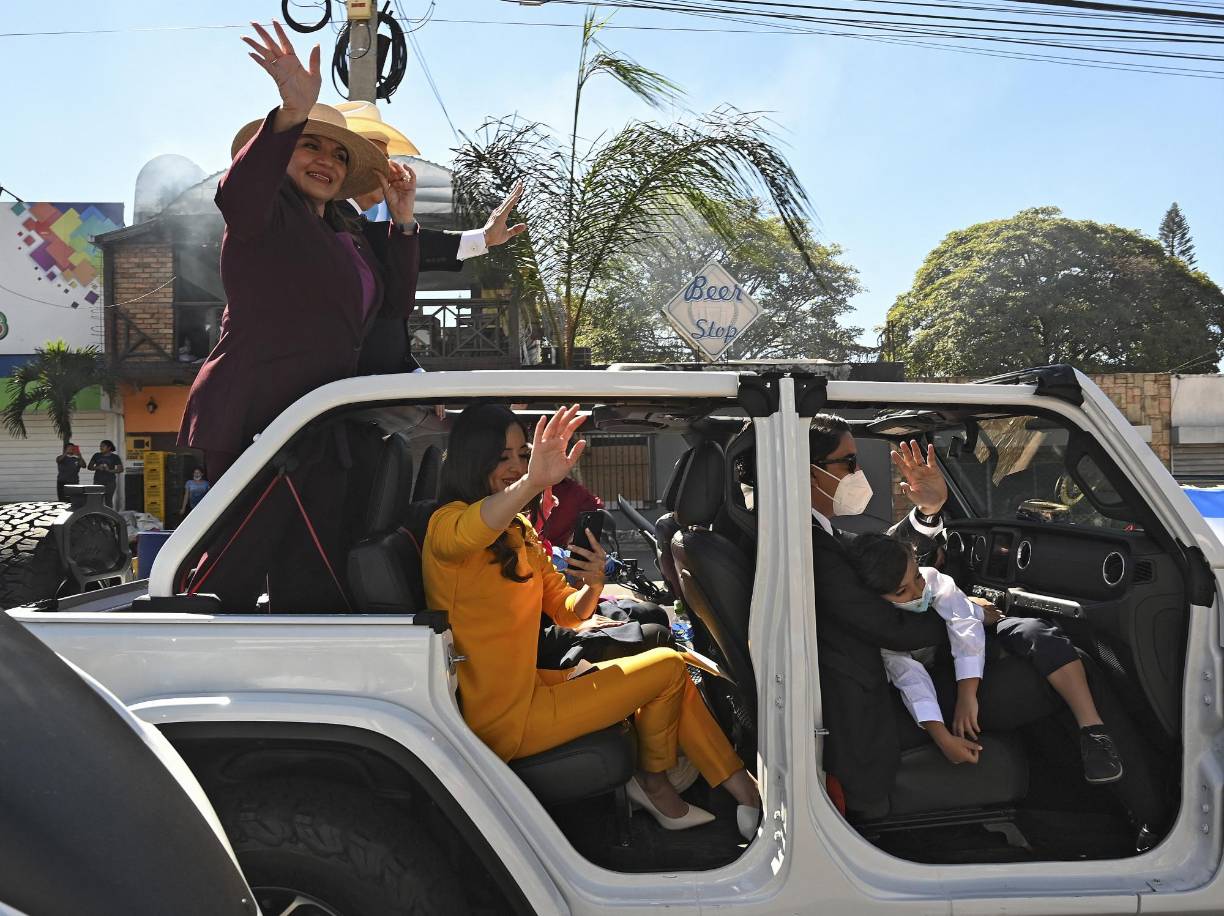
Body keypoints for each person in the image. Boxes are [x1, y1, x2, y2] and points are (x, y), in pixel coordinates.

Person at [807, 413, 1168, 848]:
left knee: (1038, 648)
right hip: (882, 701)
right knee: (1065, 669)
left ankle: (1080, 814)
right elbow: (890, 626)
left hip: (883, 679)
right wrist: (967, 615)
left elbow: (879, 562)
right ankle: (1155, 820)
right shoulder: (811, 544)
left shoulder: (815, 534)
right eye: (849, 463)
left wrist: (928, 512)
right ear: (810, 471)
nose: (859, 473)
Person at [423, 403, 761, 837]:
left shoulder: (518, 529)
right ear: (472, 458)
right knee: (670, 668)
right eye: (501, 456)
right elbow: (474, 528)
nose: (514, 467)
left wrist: (594, 584)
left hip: (534, 688)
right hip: (504, 720)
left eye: (521, 455)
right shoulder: (446, 526)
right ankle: (656, 784)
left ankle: (744, 790)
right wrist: (532, 482)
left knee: (670, 664)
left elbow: (569, 609)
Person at [178, 20, 421, 482]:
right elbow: (239, 194)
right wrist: (292, 112)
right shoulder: (264, 214)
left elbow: (395, 305)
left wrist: (403, 219)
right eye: (310, 145)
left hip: (319, 424)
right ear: (282, 152)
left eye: (339, 154)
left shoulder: (343, 231)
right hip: (257, 419)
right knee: (247, 551)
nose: (326, 160)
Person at [850, 532, 1125, 783]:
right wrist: (942, 736)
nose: (918, 592)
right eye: (902, 592)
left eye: (917, 578)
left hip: (975, 635)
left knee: (1037, 631)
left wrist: (968, 695)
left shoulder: (933, 580)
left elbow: (964, 624)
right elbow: (909, 676)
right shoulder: (880, 631)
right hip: (938, 669)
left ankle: (1093, 730)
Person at [87, 440, 123, 508]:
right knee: (97, 499)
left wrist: (109, 470)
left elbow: (120, 469)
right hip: (98, 481)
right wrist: (97, 467)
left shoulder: (115, 457)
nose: (101, 447)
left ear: (109, 448)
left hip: (110, 481)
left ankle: (108, 517)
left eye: (103, 446)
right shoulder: (96, 455)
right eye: (100, 446)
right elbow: (89, 467)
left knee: (108, 500)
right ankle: (98, 516)